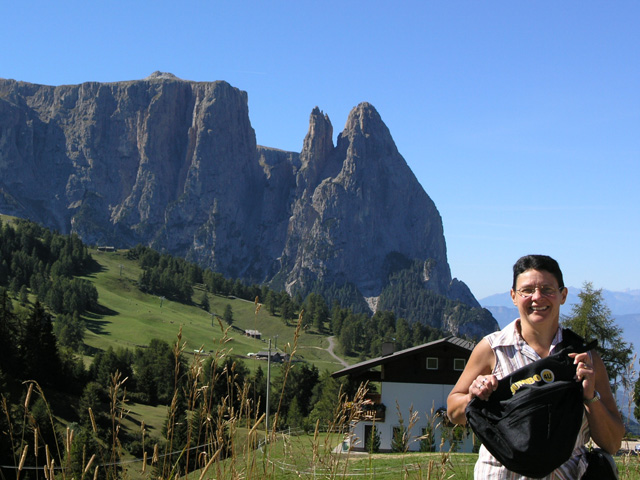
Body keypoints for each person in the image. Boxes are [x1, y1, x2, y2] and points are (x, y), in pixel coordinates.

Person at [447, 254, 624, 479]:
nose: (537, 297)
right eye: (527, 290)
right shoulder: (492, 349)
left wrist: (590, 397)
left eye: (548, 289)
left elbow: (613, 442)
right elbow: (454, 412)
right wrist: (473, 396)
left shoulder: (584, 356)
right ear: (513, 296)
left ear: (563, 295)